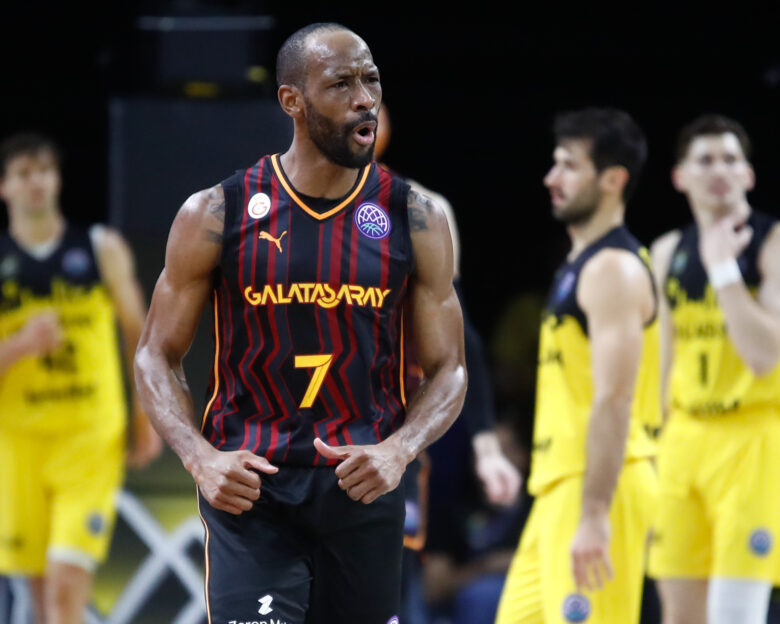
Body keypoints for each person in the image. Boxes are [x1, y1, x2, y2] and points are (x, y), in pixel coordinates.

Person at [133, 22, 467, 623]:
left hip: (362, 490)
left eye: (371, 80)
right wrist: (199, 457)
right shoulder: (217, 211)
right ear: (292, 100)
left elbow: (451, 370)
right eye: (341, 84)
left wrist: (400, 449)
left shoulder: (415, 216)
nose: (364, 99)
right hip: (254, 493)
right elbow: (154, 354)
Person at [495, 107, 660, 624]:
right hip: (557, 490)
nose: (552, 178)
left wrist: (594, 515)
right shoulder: (577, 266)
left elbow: (615, 398)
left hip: (599, 489)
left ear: (612, 180)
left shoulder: (614, 269)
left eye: (569, 165)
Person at [0, 133, 162, 623]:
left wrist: (145, 414)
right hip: (19, 442)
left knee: (66, 588)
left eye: (45, 170)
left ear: (58, 180)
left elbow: (139, 333)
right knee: (39, 595)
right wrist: (21, 345)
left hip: (89, 437)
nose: (36, 182)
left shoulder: (99, 247)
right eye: (24, 173)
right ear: (5, 186)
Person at [375, 102, 522, 623]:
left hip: (392, 432)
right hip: (297, 431)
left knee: (391, 587)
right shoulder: (270, 205)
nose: (357, 106)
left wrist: (486, 446)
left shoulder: (420, 208)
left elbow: (459, 339)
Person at [646, 115, 780, 624]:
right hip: (683, 441)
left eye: (730, 159)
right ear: (680, 177)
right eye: (705, 160)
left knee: (735, 617)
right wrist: (653, 444)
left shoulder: (772, 242)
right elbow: (661, 361)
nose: (719, 170)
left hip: (753, 441)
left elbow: (765, 355)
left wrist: (725, 271)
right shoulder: (666, 252)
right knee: (679, 615)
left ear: (748, 174)